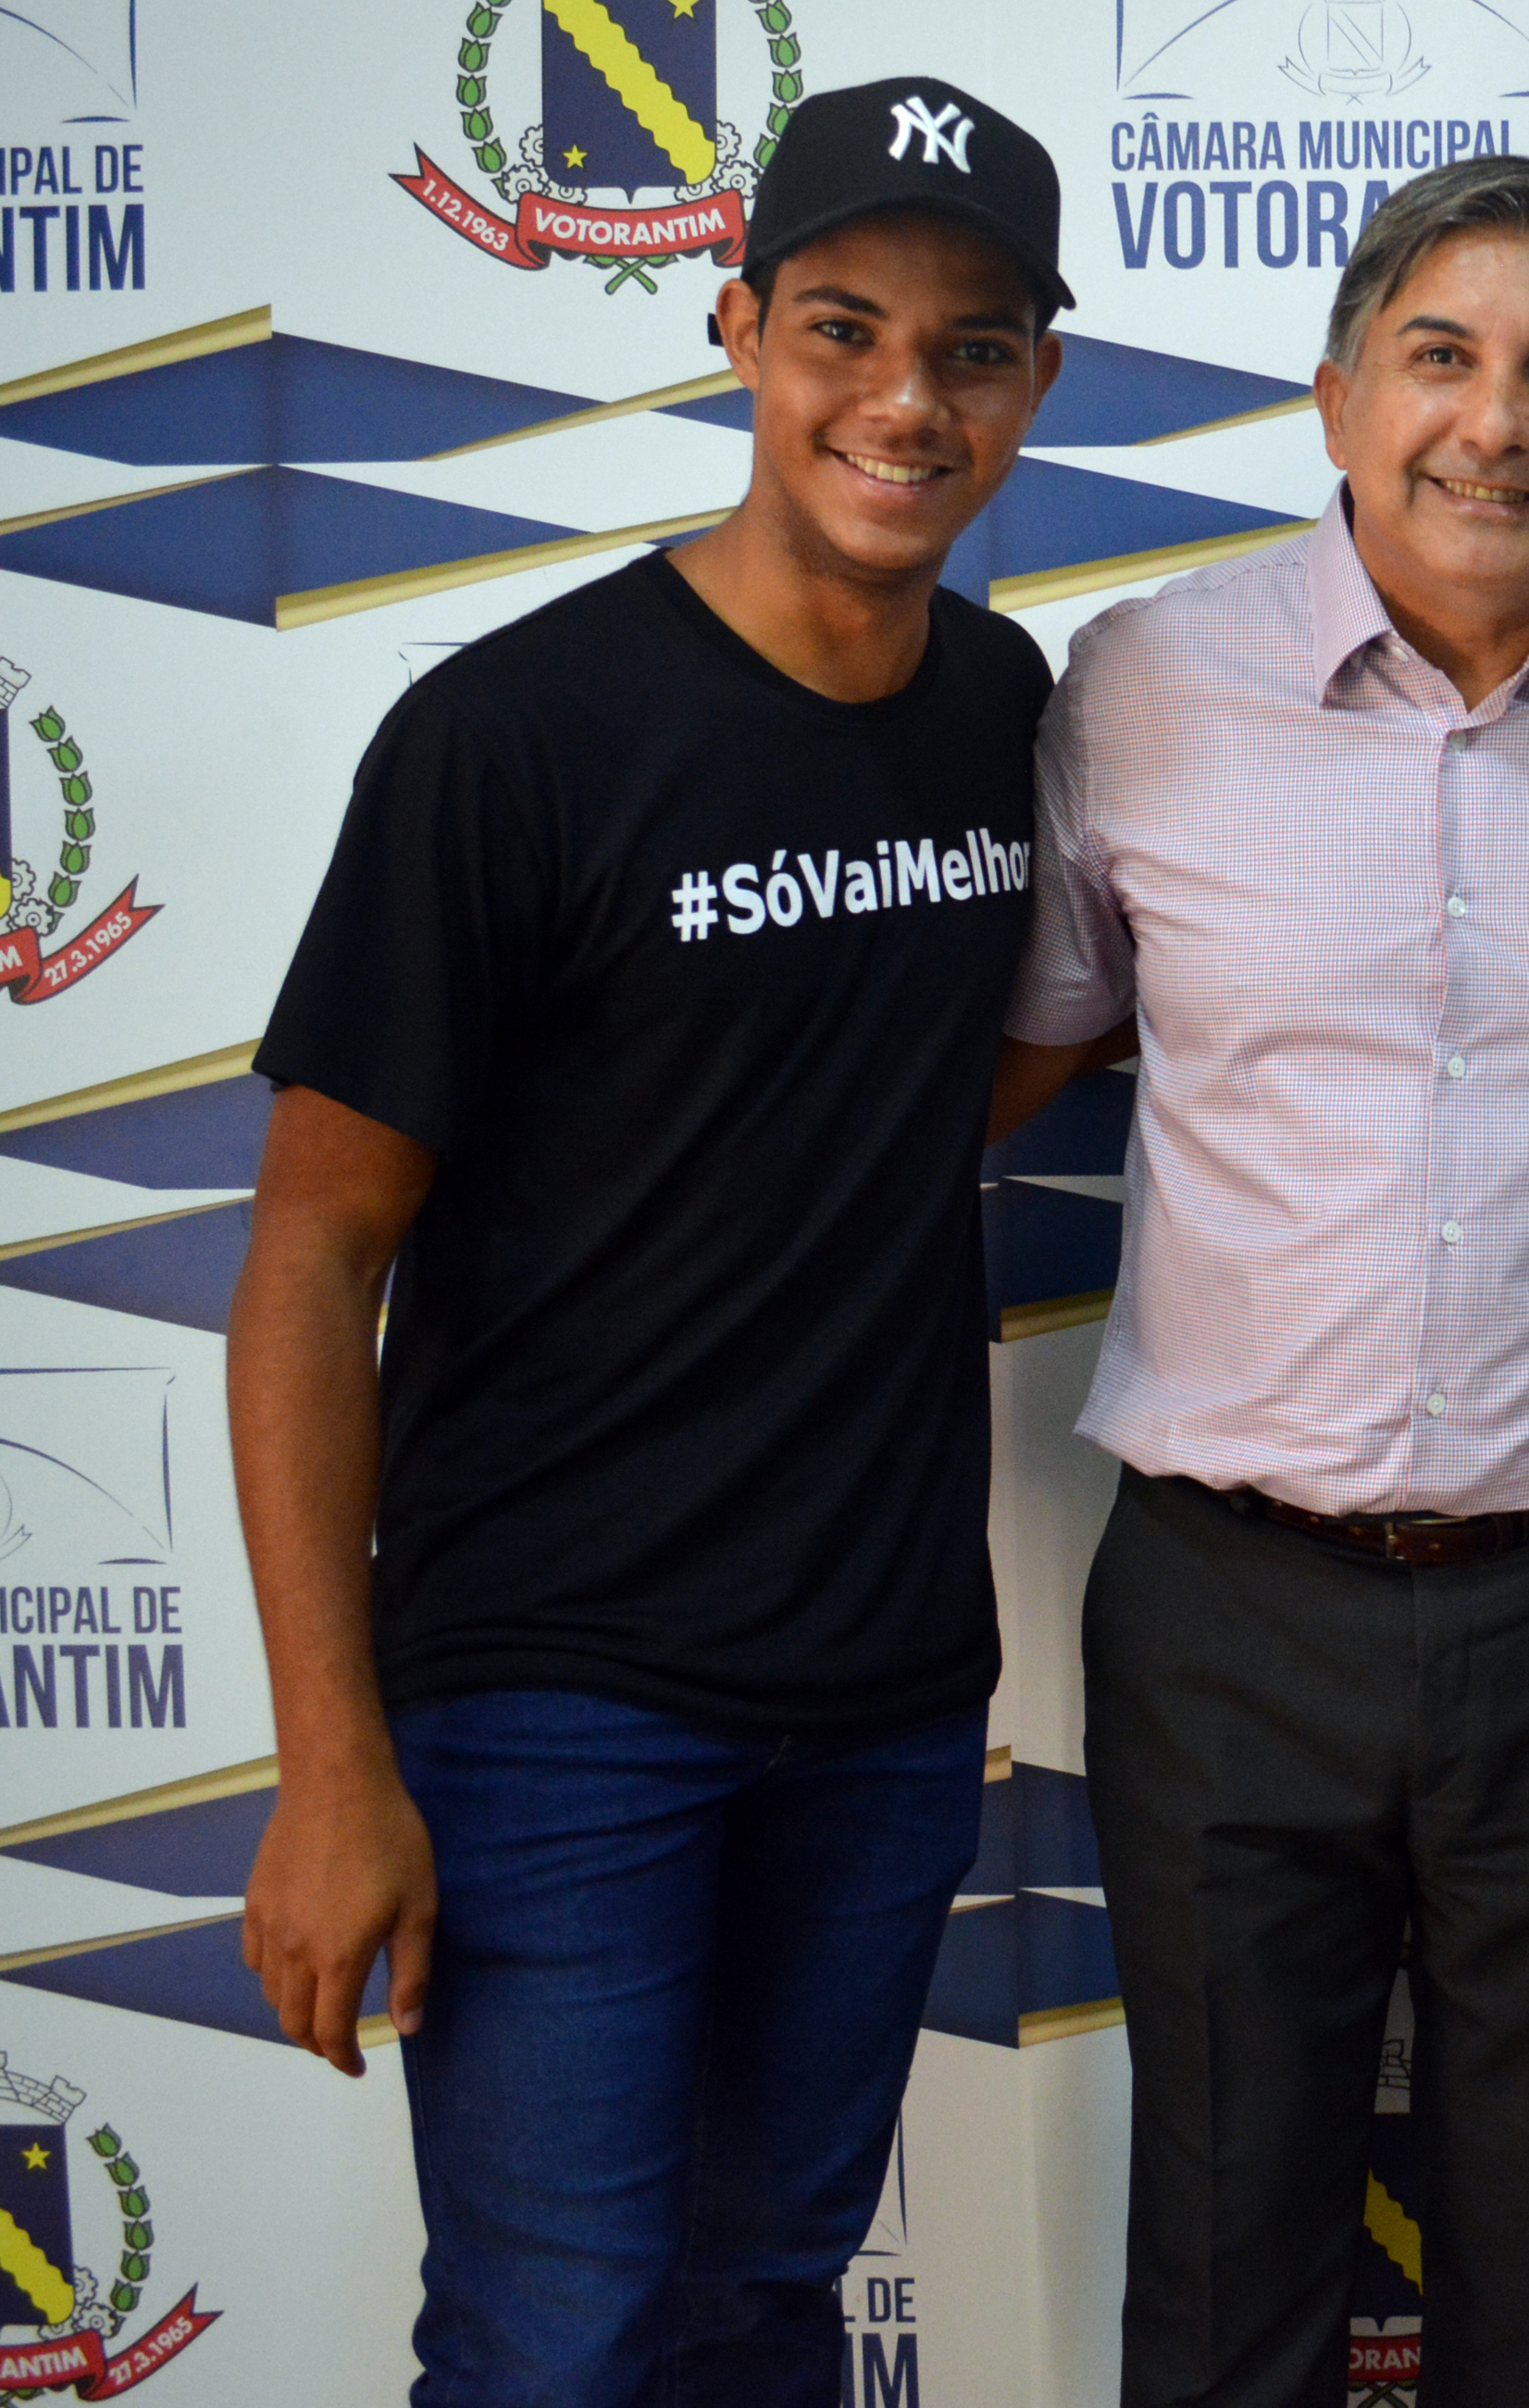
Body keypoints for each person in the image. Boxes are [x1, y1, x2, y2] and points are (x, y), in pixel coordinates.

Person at [229, 79, 1068, 2405]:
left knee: (758, 2317)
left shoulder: (1003, 709)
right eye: (843, 327)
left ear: (1038, 385)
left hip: (887, 1688)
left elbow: (935, 1066)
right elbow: (309, 1255)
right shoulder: (514, 739)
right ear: (735, 330)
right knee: (552, 2345)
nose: (905, 397)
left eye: (974, 346)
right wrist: (329, 1760)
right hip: (552, 1705)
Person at [986, 156, 1529, 2407]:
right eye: (1440, 359)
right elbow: (1021, 1057)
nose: (1495, 422)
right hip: (1225, 1605)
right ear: (1337, 398)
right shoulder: (1142, 688)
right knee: (1225, 2273)